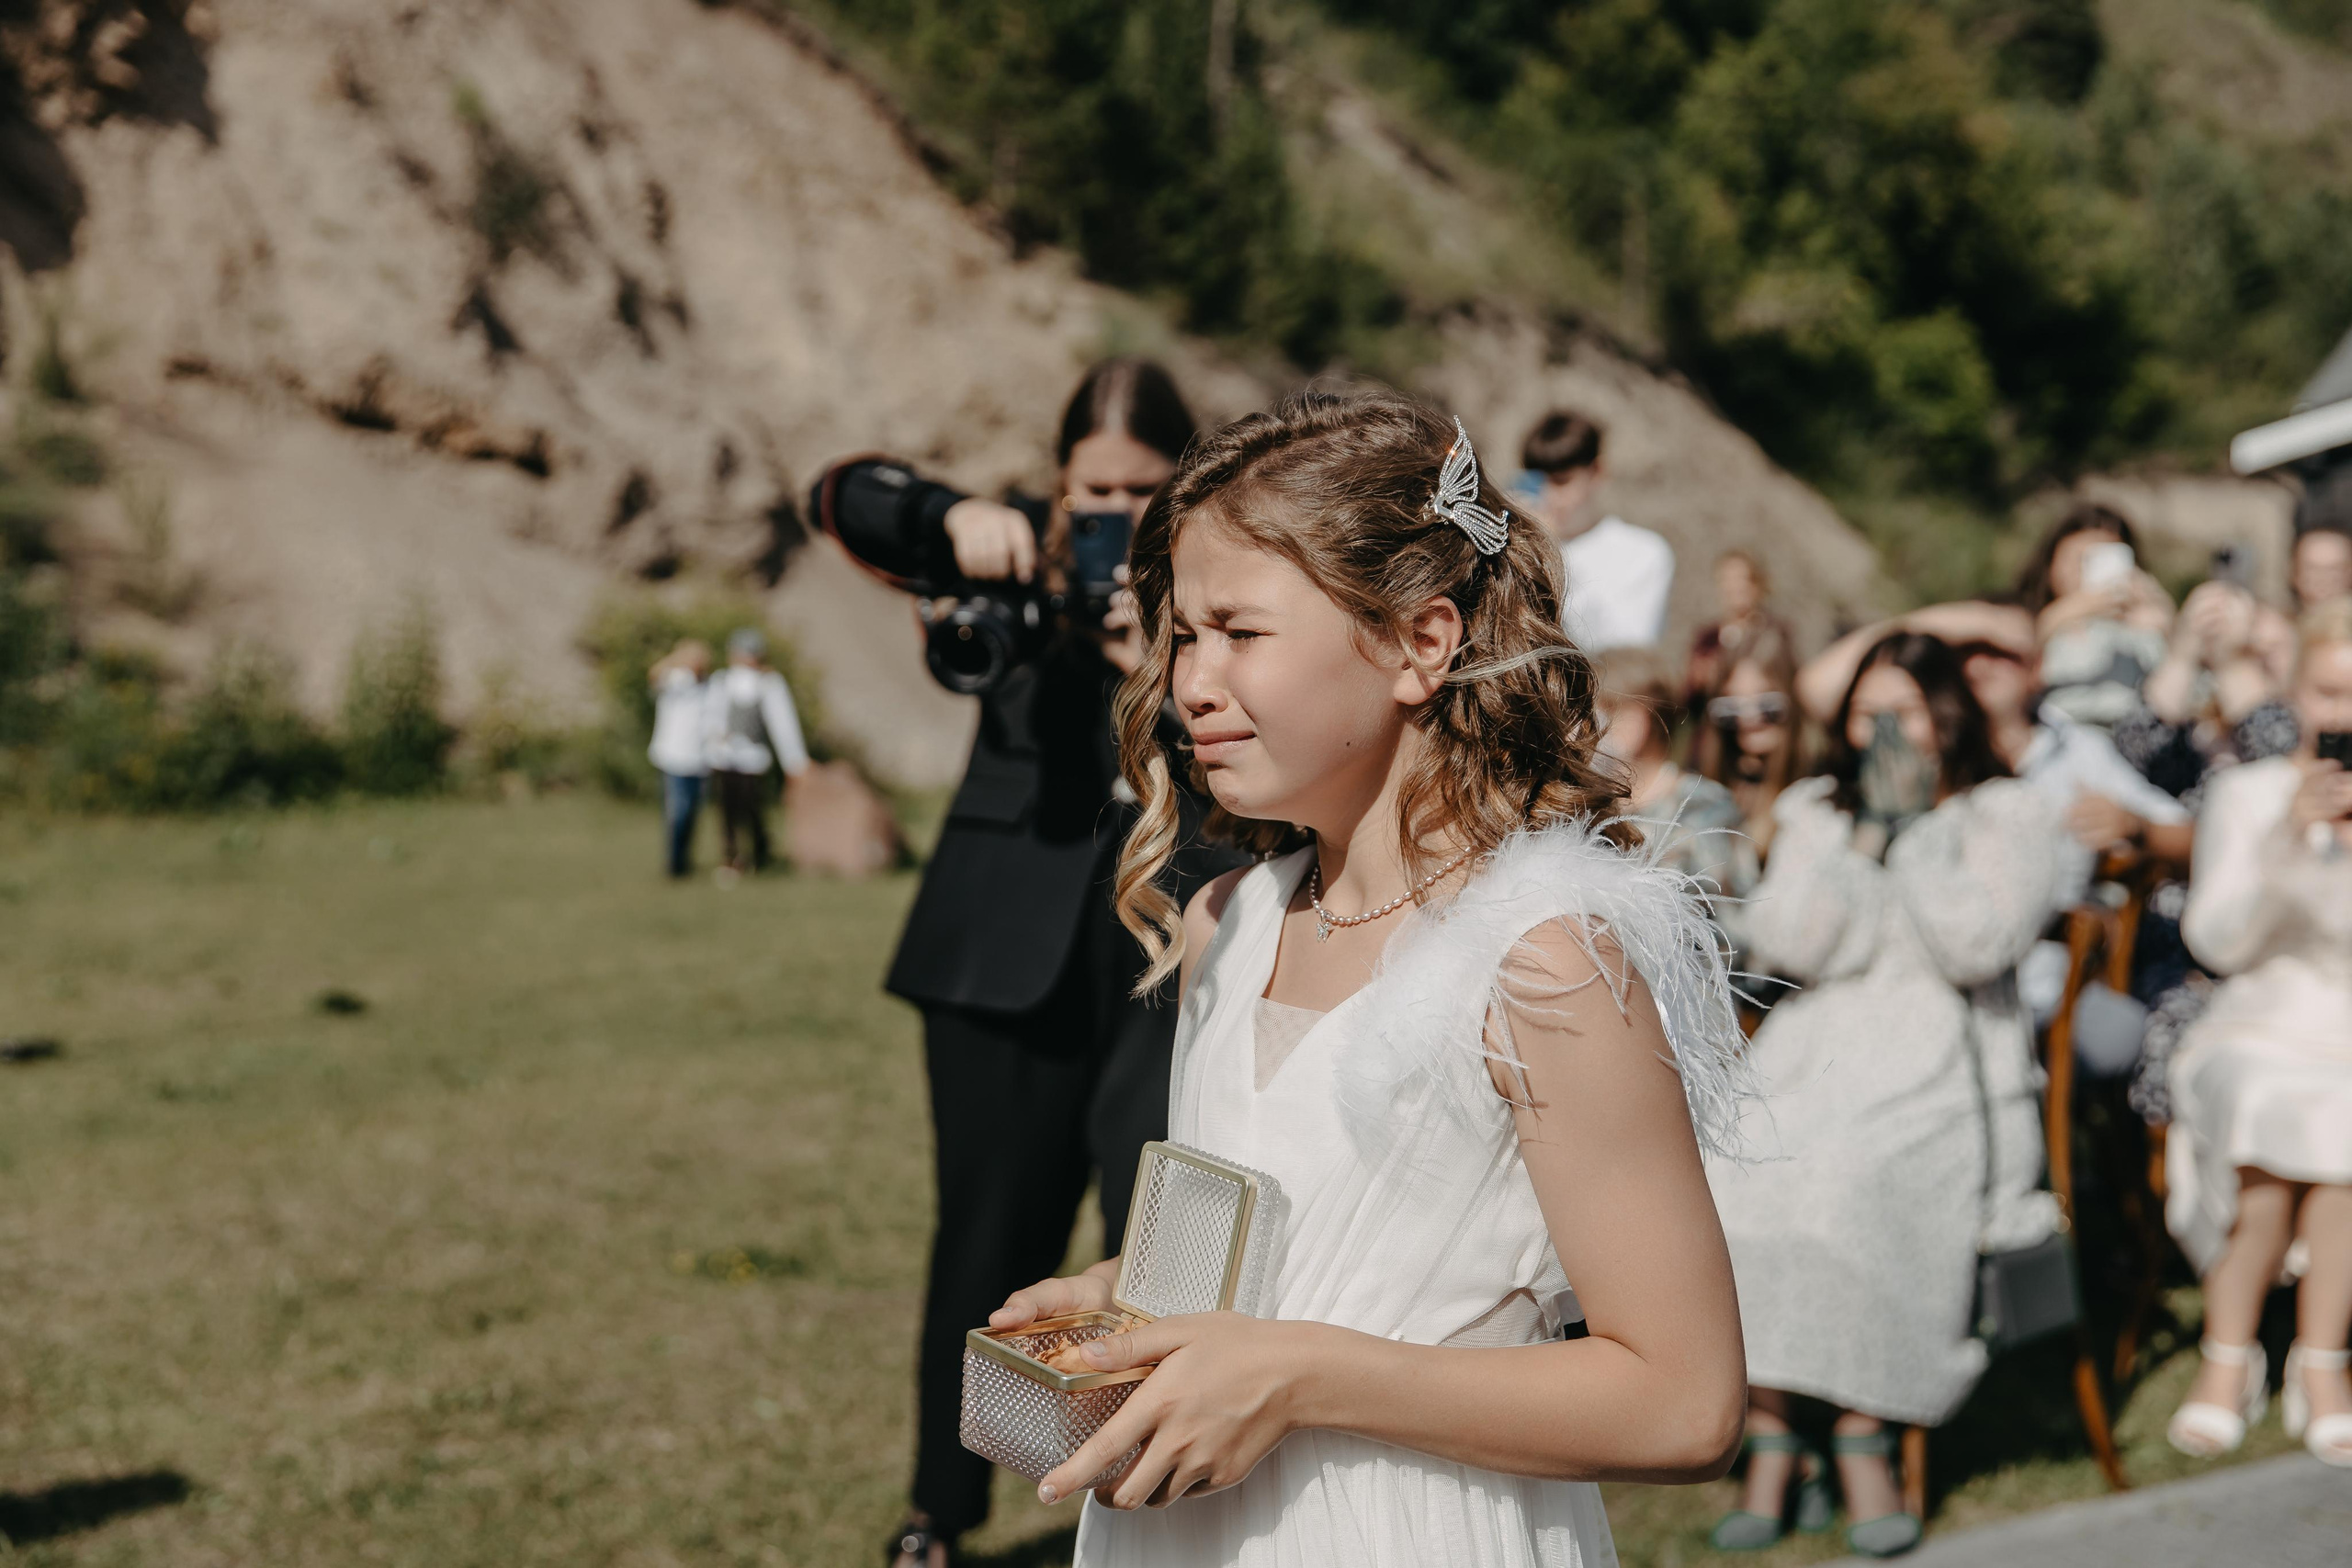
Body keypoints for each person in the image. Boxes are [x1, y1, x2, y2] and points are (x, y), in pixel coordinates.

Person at [989, 392, 1749, 1565]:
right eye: (1183, 635)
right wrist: (1126, 1297)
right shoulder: (1226, 920)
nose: (1190, 682)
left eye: (1240, 632)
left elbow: (1682, 1401)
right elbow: (1321, 1240)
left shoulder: (1538, 960)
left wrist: (1299, 1379)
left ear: (1419, 644)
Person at [812, 359, 1245, 1568]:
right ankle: (938, 1514)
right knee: (983, 1229)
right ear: (1057, 479)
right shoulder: (1009, 550)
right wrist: (956, 518)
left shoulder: (1217, 571)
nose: (1113, 511)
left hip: (1171, 942)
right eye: (1093, 486)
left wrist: (1159, 646)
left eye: (1142, 489)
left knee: (1157, 1240)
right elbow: (840, 495)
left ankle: (1145, 1510)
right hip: (1001, 944)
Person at [1706, 632, 2070, 1558]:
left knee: (1852, 1183)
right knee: (1739, 1183)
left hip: (1942, 1051)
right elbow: (1792, 944)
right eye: (1868, 714)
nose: (1884, 732)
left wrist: (1917, 841)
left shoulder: (2008, 812)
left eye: (1903, 712)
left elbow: (1976, 946)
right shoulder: (1818, 812)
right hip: (1819, 1043)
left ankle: (1865, 1428)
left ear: (1946, 716)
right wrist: (1864, 837)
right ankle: (1775, 1426)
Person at [2162, 599, 2352, 1468]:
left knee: (2342, 1117)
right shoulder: (2246, 793)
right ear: (2295, 691)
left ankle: (2320, 1362)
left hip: (2342, 1030)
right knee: (2267, 1110)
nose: (2344, 714)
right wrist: (2288, 838)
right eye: (2328, 691)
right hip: (2254, 1022)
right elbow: (2217, 940)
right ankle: (2230, 1355)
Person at [1597, 649, 1758, 902]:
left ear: (1638, 718)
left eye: (1601, 713)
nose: (1585, 730)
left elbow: (1708, 907)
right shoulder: (1595, 803)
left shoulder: (1702, 805)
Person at [1521, 408, 1675, 652]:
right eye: (1539, 482)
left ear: (1596, 473)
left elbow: (1624, 650)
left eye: (1562, 480)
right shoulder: (1522, 550)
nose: (1549, 496)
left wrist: (1549, 557)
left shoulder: (1644, 552)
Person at [2016, 503, 2175, 731]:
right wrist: (2056, 618)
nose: (2088, 571)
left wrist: (2170, 629)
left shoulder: (2144, 628)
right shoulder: (2024, 620)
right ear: (2051, 564)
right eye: (2081, 558)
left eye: (2103, 559)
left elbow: (2192, 700)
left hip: (2132, 741)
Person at [702, 627, 810, 879]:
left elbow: (783, 725)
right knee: (727, 812)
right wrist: (715, 739)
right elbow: (711, 715)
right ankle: (731, 857)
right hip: (725, 756)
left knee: (752, 810)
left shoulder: (769, 683)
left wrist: (795, 762)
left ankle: (760, 854)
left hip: (752, 758)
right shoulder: (723, 681)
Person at [1692, 623, 1804, 861]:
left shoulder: (1814, 792)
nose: (1749, 718)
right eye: (1732, 704)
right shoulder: (1703, 787)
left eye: (1766, 701)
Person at [1684, 549, 1791, 723]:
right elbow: (1689, 703)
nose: (1734, 586)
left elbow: (1785, 689)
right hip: (1713, 731)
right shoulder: (1707, 638)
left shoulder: (1775, 634)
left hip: (1760, 723)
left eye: (1741, 578)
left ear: (1757, 584)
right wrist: (1697, 682)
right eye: (1727, 579)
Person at [646, 637, 712, 879]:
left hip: (701, 761)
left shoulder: (710, 685)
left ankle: (685, 860)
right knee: (678, 812)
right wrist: (676, 658)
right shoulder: (675, 679)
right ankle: (673, 865)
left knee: (693, 813)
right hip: (674, 758)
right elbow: (653, 675)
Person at [2292, 523, 2352, 612]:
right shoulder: (2274, 623)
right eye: (2312, 569)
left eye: (2334, 570)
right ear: (2294, 572)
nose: (2323, 579)